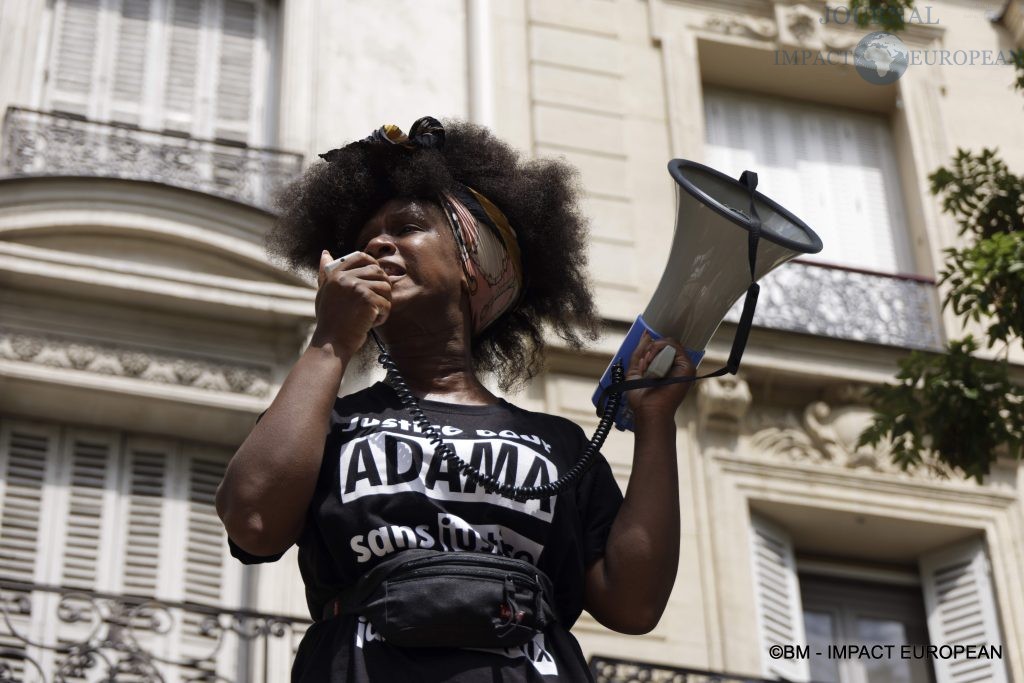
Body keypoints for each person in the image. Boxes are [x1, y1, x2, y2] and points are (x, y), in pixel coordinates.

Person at [215, 116, 695, 682]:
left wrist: (657, 421)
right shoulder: (326, 422)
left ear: (476, 264)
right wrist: (331, 341)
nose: (377, 244)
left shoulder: (560, 443)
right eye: (365, 239)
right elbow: (252, 519)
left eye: (409, 226)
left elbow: (633, 604)